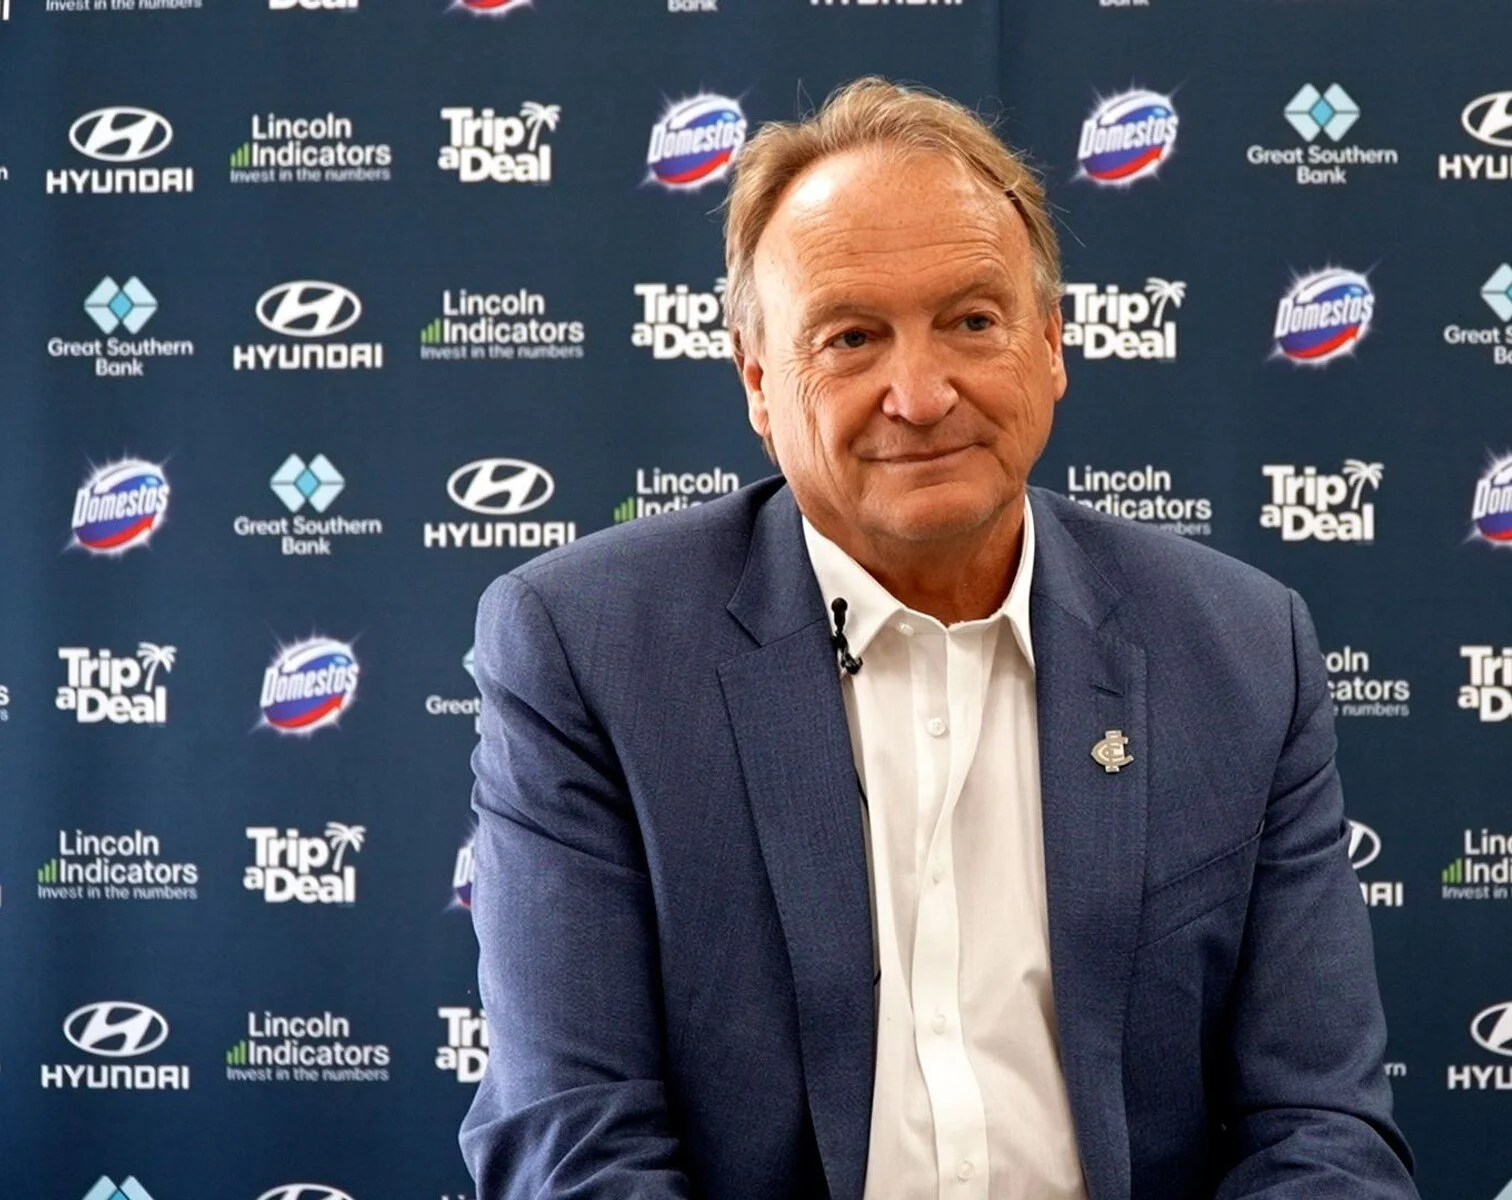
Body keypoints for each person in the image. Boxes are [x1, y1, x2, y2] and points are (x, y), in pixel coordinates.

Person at [459, 76, 1417, 1200]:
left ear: (1050, 344)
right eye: (851, 338)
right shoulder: (587, 649)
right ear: (759, 382)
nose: (919, 395)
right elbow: (573, 1143)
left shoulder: (1244, 649)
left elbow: (1318, 1131)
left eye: (971, 322)